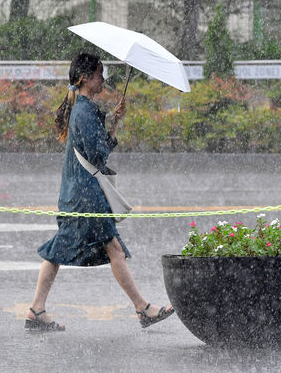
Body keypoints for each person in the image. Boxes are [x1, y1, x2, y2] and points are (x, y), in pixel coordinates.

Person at [25, 52, 174, 332]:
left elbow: (93, 148)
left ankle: (36, 310)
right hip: (85, 194)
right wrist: (111, 133)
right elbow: (97, 155)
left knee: (60, 251)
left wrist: (113, 123)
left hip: (76, 192)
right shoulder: (84, 111)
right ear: (85, 78)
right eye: (99, 73)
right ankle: (143, 309)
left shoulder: (83, 109)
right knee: (113, 248)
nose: (103, 78)